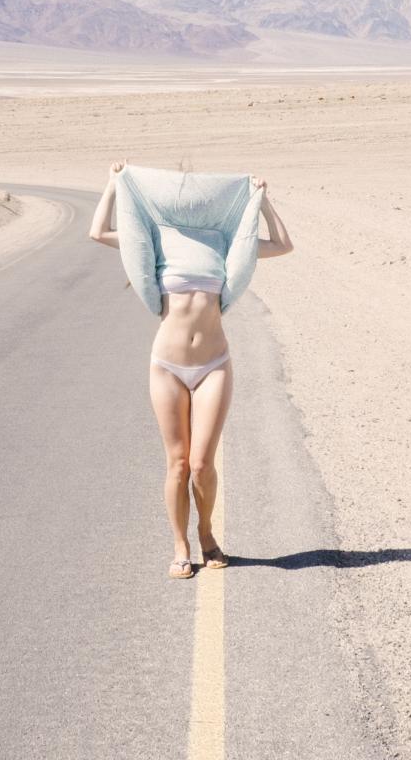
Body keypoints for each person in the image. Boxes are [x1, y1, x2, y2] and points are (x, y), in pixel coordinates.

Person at [87, 160, 294, 578]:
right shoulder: (156, 238)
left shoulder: (221, 240)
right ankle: (180, 544)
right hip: (167, 366)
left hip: (214, 363)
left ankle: (206, 533)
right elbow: (98, 233)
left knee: (202, 464)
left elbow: (283, 245)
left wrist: (261, 201)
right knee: (178, 463)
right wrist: (113, 185)